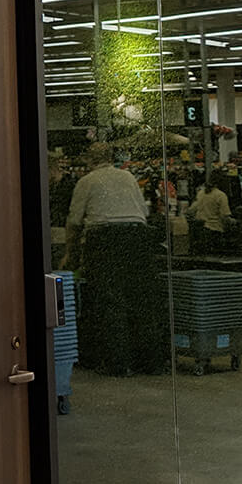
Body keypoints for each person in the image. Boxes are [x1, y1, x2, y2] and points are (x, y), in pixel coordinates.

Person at [66, 144, 162, 375]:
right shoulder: (128, 177)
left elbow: (74, 222)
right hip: (138, 238)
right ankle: (150, 363)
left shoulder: (87, 181)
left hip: (105, 240)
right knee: (141, 299)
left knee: (110, 301)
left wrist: (71, 255)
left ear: (90, 159)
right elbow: (144, 213)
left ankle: (118, 364)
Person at [187, 174, 231, 255]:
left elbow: (192, 210)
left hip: (201, 230)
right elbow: (225, 216)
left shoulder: (201, 193)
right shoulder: (221, 195)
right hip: (215, 230)